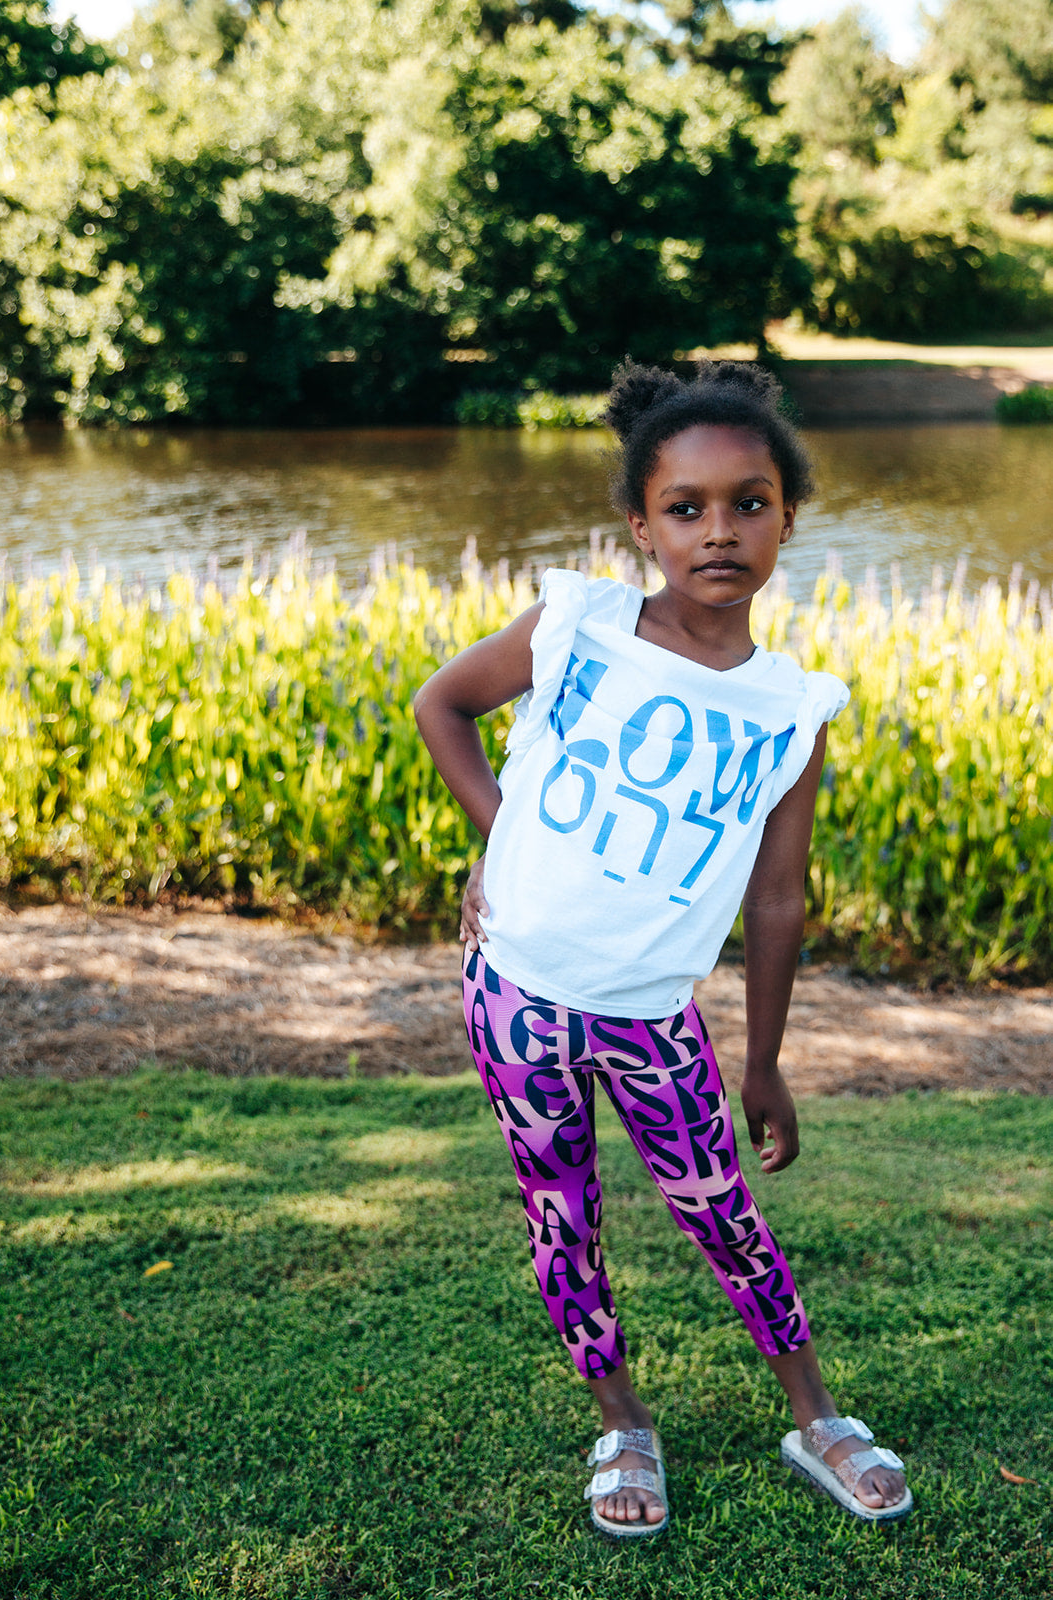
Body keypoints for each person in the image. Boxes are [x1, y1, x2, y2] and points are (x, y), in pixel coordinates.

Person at [413, 359, 911, 1538]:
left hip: (651, 1013)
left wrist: (765, 1058)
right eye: (684, 508)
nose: (719, 530)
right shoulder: (579, 623)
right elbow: (444, 704)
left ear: (789, 516)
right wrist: (509, 837)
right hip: (518, 996)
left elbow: (777, 902)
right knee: (562, 1211)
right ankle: (622, 1421)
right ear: (641, 524)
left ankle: (817, 1417)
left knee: (720, 1207)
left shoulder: (792, 707)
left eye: (749, 501)